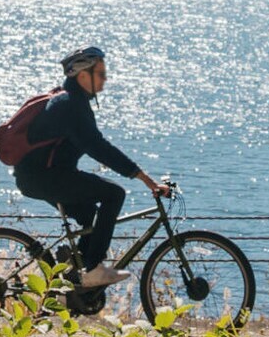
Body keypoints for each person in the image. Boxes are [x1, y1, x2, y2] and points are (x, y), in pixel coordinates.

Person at [14, 46, 172, 288]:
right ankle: (94, 269)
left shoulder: (72, 101)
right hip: (44, 177)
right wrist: (145, 179)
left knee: (90, 217)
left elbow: (94, 146)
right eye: (100, 73)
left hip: (43, 176)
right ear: (83, 75)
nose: (105, 79)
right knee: (114, 194)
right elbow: (98, 148)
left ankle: (73, 280)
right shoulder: (71, 105)